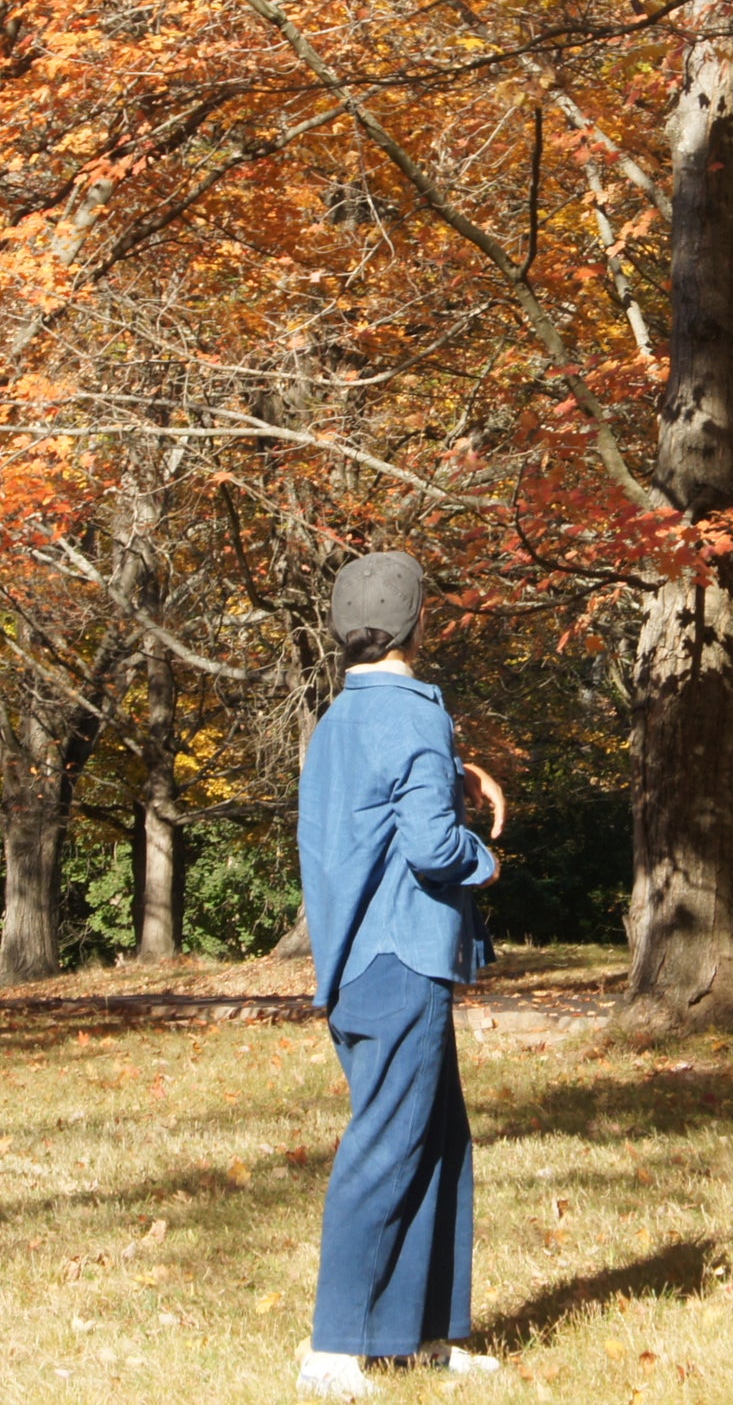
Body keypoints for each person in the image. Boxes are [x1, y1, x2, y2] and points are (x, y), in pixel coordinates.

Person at [295, 551, 505, 1400]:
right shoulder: (415, 714)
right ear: (420, 620)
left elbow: (375, 805)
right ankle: (333, 1346)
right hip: (400, 955)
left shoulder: (341, 716)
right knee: (386, 1141)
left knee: (440, 1138)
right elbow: (426, 846)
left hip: (358, 959)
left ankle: (424, 1332)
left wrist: (452, 772)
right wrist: (483, 859)